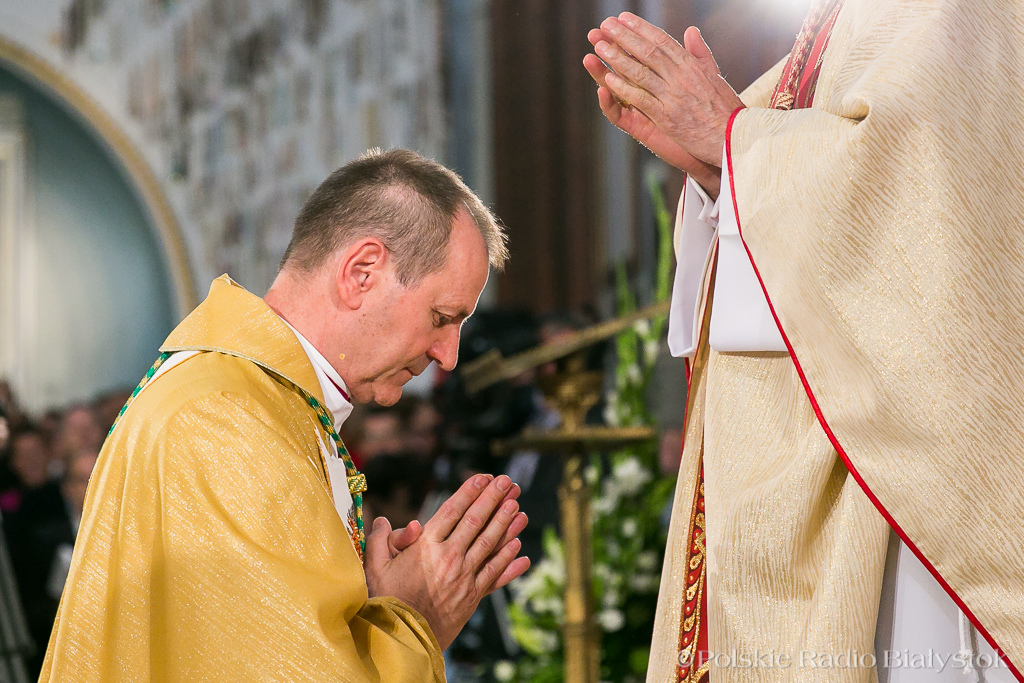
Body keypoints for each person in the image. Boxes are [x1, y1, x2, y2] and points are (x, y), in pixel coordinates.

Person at [585, 2, 1024, 682]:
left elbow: (920, 210)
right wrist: (719, 167)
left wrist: (733, 140)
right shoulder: (845, 18)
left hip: (907, 506)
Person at [41, 148, 531, 682]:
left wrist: (370, 611)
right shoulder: (227, 422)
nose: (449, 356)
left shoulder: (260, 402)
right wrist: (417, 622)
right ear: (361, 273)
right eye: (441, 317)